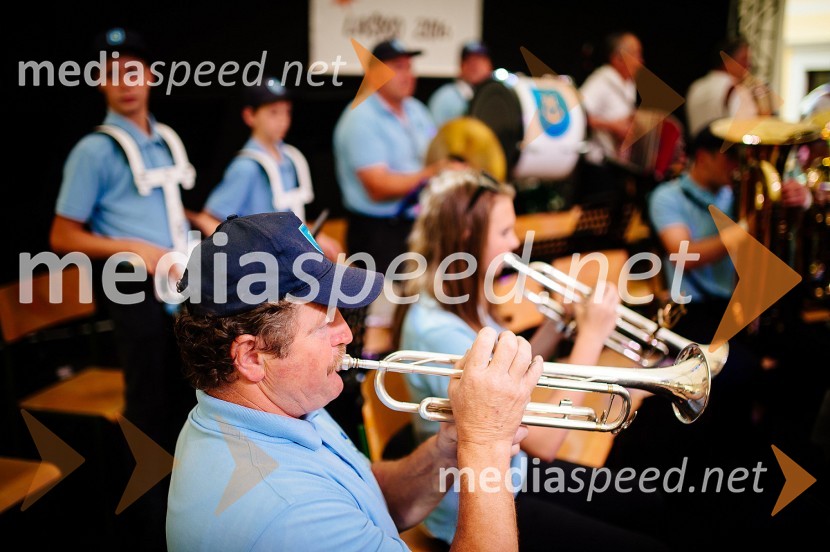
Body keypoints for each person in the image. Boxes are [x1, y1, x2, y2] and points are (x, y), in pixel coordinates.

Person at [166, 211, 544, 551]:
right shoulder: (289, 513)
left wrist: (448, 448)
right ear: (251, 356)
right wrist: (486, 448)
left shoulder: (274, 405)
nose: (346, 333)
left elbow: (368, 499)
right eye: (325, 322)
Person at [391, 169, 669, 550]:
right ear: (467, 237)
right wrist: (591, 337)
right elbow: (544, 442)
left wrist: (557, 324)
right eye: (505, 232)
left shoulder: (461, 299)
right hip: (474, 505)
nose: (515, 241)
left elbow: (505, 375)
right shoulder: (438, 330)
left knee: (649, 506)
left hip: (510, 470)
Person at [49, 27, 197, 549]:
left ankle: (191, 516)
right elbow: (62, 236)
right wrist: (133, 247)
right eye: (111, 73)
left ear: (151, 76)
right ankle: (149, 529)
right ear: (98, 81)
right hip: (134, 291)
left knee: (188, 404)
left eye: (133, 70)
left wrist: (202, 222)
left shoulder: (165, 138)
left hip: (179, 290)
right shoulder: (93, 150)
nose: (124, 82)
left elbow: (163, 207)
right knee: (149, 413)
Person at [333, 38, 458, 275]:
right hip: (378, 233)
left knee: (419, 291)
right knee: (385, 297)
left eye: (409, 67)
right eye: (398, 67)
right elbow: (377, 187)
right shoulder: (360, 118)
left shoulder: (416, 109)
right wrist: (432, 173)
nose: (408, 75)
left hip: (413, 225)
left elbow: (435, 153)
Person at [188, 77, 342, 260]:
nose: (283, 120)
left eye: (287, 112)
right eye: (273, 112)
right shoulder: (246, 167)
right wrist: (246, 253)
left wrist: (313, 235)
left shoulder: (289, 159)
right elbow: (208, 219)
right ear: (249, 116)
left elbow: (287, 221)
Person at [685, 36, 773, 140]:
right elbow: (749, 130)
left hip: (697, 149)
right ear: (727, 60)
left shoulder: (695, 87)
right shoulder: (738, 90)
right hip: (726, 148)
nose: (749, 65)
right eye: (744, 60)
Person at [579, 31, 643, 165]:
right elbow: (578, 114)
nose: (640, 62)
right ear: (617, 58)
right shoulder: (601, 80)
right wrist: (613, 126)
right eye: (635, 54)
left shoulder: (629, 84)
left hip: (617, 161)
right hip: (598, 162)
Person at [428, 40, 493, 127]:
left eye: (481, 60)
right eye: (469, 61)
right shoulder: (445, 97)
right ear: (461, 66)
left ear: (489, 66)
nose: (476, 66)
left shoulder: (496, 97)